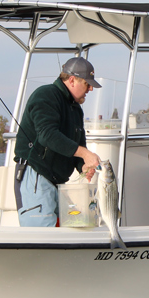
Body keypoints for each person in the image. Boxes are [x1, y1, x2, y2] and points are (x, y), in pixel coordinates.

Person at [13, 56, 102, 227]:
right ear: (72, 80)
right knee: (44, 237)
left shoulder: (76, 109)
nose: (90, 89)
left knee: (71, 229)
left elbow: (77, 146)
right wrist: (85, 154)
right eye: (87, 84)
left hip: (58, 184)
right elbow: (47, 135)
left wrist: (82, 166)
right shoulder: (46, 95)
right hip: (36, 176)